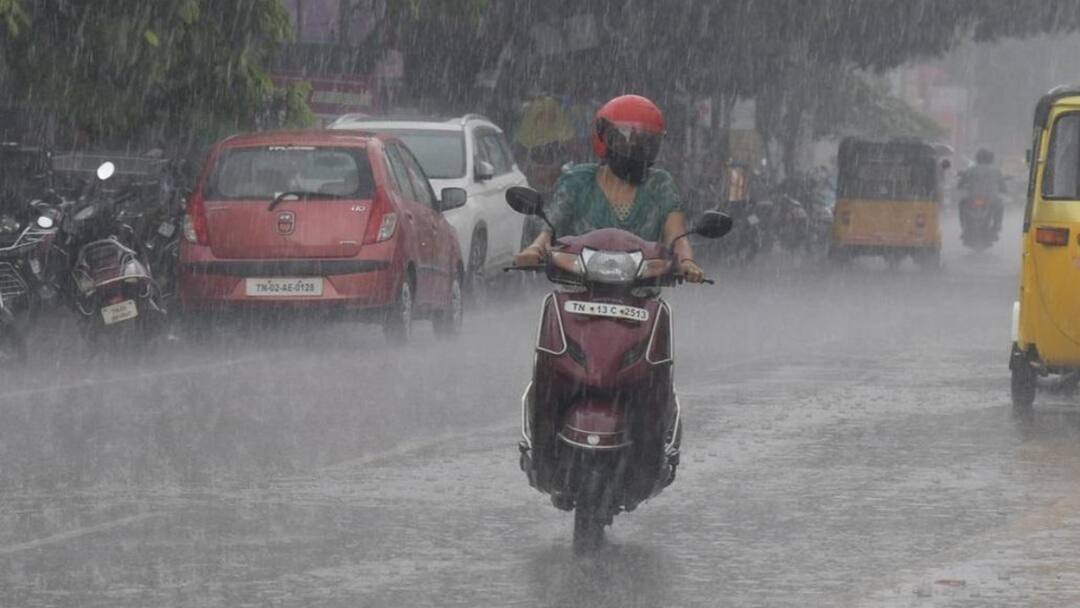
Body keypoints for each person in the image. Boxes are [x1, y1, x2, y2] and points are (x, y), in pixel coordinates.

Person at [514, 94, 705, 283]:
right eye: (624, 139)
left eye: (644, 143)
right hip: (577, 291)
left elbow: (677, 237)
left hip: (641, 296)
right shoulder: (577, 181)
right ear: (603, 138)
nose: (633, 149)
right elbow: (550, 229)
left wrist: (687, 262)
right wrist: (535, 249)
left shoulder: (660, 184)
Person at [958, 148, 1006, 233]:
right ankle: (997, 225)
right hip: (991, 198)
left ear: (977, 158)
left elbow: (961, 182)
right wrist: (1004, 190)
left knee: (961, 204)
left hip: (972, 196)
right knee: (1000, 205)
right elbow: (1002, 185)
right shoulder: (996, 170)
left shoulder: (971, 169)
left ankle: (963, 226)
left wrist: (960, 186)